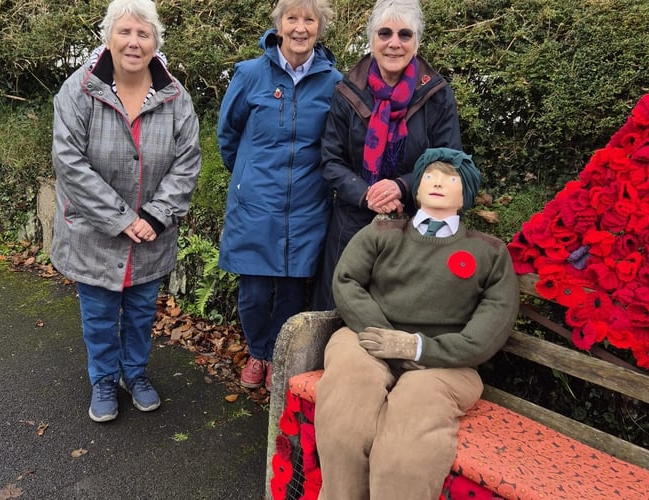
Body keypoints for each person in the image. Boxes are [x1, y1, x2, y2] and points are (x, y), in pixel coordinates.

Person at [314, 148, 519, 499]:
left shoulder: (489, 252)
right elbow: (346, 281)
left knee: (405, 451)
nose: (438, 182)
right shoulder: (384, 232)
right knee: (344, 423)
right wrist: (385, 335)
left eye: (450, 178)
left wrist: (421, 348)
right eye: (429, 176)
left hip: (446, 364)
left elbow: (491, 327)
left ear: (465, 194)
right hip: (368, 339)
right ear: (417, 190)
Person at [51, 0, 201, 422]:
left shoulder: (176, 97)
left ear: (155, 42)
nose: (134, 42)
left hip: (152, 233)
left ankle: (134, 373)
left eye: (144, 34)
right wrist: (121, 218)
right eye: (125, 32)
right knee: (98, 314)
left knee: (139, 312)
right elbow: (69, 163)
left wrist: (154, 216)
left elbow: (187, 161)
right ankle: (102, 377)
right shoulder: (77, 90)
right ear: (108, 37)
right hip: (95, 233)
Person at [217, 0, 343, 391]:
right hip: (256, 204)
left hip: (307, 205)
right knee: (254, 293)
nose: (300, 27)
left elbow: (335, 144)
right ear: (279, 25)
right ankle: (257, 350)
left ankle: (275, 356)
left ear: (319, 28)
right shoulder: (250, 74)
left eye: (310, 19)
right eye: (293, 18)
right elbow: (228, 135)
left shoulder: (334, 82)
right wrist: (248, 176)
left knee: (290, 292)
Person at [312, 0, 462, 310]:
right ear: (372, 40)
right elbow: (330, 159)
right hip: (354, 217)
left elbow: (449, 161)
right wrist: (366, 193)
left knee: (397, 311)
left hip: (413, 221)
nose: (394, 43)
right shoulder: (347, 91)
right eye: (385, 33)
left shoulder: (436, 94)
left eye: (404, 35)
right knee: (335, 308)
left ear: (416, 43)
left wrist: (402, 186)